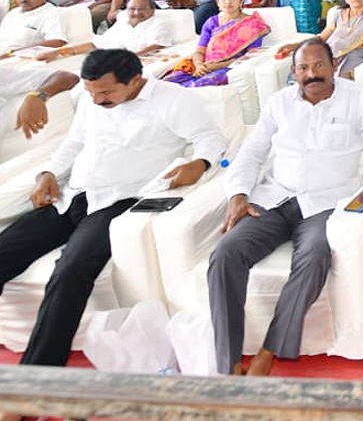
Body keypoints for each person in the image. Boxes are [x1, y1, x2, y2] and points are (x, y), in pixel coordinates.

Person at [0, 49, 225, 374]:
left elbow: (210, 139)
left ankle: (35, 377)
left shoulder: (172, 99)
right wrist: (47, 174)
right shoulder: (91, 101)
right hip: (73, 196)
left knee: (70, 272)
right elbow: (73, 144)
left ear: (135, 80)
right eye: (91, 92)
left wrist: (198, 163)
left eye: (105, 92)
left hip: (120, 202)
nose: (96, 100)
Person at [209, 38, 363, 377]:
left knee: (316, 255)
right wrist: (238, 194)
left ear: (335, 67)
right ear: (293, 73)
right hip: (274, 199)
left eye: (319, 65)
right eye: (303, 68)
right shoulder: (279, 103)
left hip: (325, 203)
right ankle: (228, 363)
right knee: (225, 252)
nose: (312, 74)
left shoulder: (359, 99)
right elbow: (252, 152)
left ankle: (269, 351)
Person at [161, 0, 270, 88]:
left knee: (200, 84)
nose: (228, 2)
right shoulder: (212, 22)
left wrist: (215, 66)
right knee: (168, 82)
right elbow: (200, 51)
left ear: (241, 1)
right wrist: (199, 65)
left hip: (229, 67)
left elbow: (251, 56)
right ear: (218, 2)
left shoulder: (252, 24)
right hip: (204, 64)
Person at [42, 0, 176, 63]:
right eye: (132, 9)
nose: (136, 13)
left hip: (139, 65)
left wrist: (128, 60)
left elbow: (156, 46)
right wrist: (60, 52)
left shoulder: (158, 23)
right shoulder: (123, 23)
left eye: (142, 9)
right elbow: (96, 44)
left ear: (152, 10)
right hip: (115, 64)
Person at [0, 0, 67, 55]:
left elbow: (57, 41)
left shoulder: (52, 13)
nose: (23, 0)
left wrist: (13, 54)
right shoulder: (13, 13)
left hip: (17, 57)